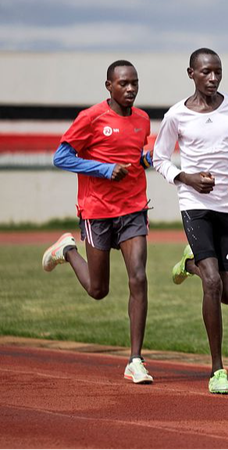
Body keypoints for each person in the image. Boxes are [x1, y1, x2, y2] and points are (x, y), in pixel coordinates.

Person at [152, 48, 228, 395]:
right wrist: (185, 178)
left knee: (227, 294)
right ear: (191, 73)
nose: (213, 78)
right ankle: (217, 370)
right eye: (205, 72)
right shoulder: (176, 115)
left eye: (217, 72)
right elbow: (159, 158)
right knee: (212, 283)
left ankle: (190, 263)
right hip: (195, 204)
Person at [42, 60, 154, 384]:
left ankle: (135, 360)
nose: (130, 89)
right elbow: (61, 157)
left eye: (134, 83)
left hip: (133, 208)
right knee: (98, 289)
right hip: (98, 211)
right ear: (109, 86)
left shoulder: (143, 119)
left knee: (138, 277)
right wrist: (104, 169)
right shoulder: (91, 118)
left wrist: (148, 158)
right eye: (123, 83)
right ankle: (67, 250)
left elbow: (140, 152)